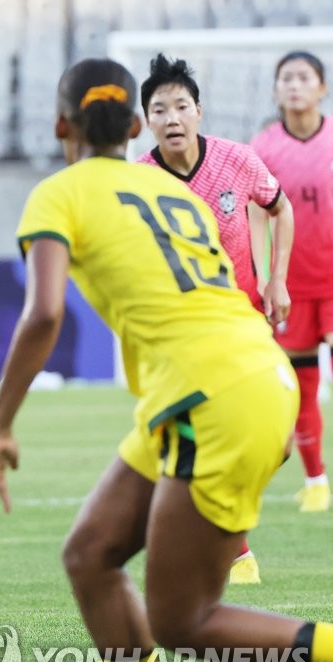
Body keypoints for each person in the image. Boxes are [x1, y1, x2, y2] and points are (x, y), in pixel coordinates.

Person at [0, 57, 333, 662]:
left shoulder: (60, 193)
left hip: (208, 395)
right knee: (90, 554)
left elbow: (45, 312)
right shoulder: (173, 193)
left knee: (183, 621)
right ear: (137, 126)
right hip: (248, 374)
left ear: (60, 125)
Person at [138, 53, 295, 585]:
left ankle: (209, 528)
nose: (173, 117)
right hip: (189, 335)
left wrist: (276, 278)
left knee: (279, 444)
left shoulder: (238, 160)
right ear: (148, 121)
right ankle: (233, 553)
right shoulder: (138, 182)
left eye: (182, 105)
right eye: (160, 109)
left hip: (248, 323)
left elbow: (280, 207)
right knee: (211, 439)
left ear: (199, 112)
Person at [251, 51, 333, 513]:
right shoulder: (263, 148)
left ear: (322, 87)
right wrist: (266, 278)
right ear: (276, 89)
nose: (295, 85)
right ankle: (317, 481)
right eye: (286, 78)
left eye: (304, 77)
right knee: (301, 385)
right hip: (293, 288)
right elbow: (256, 215)